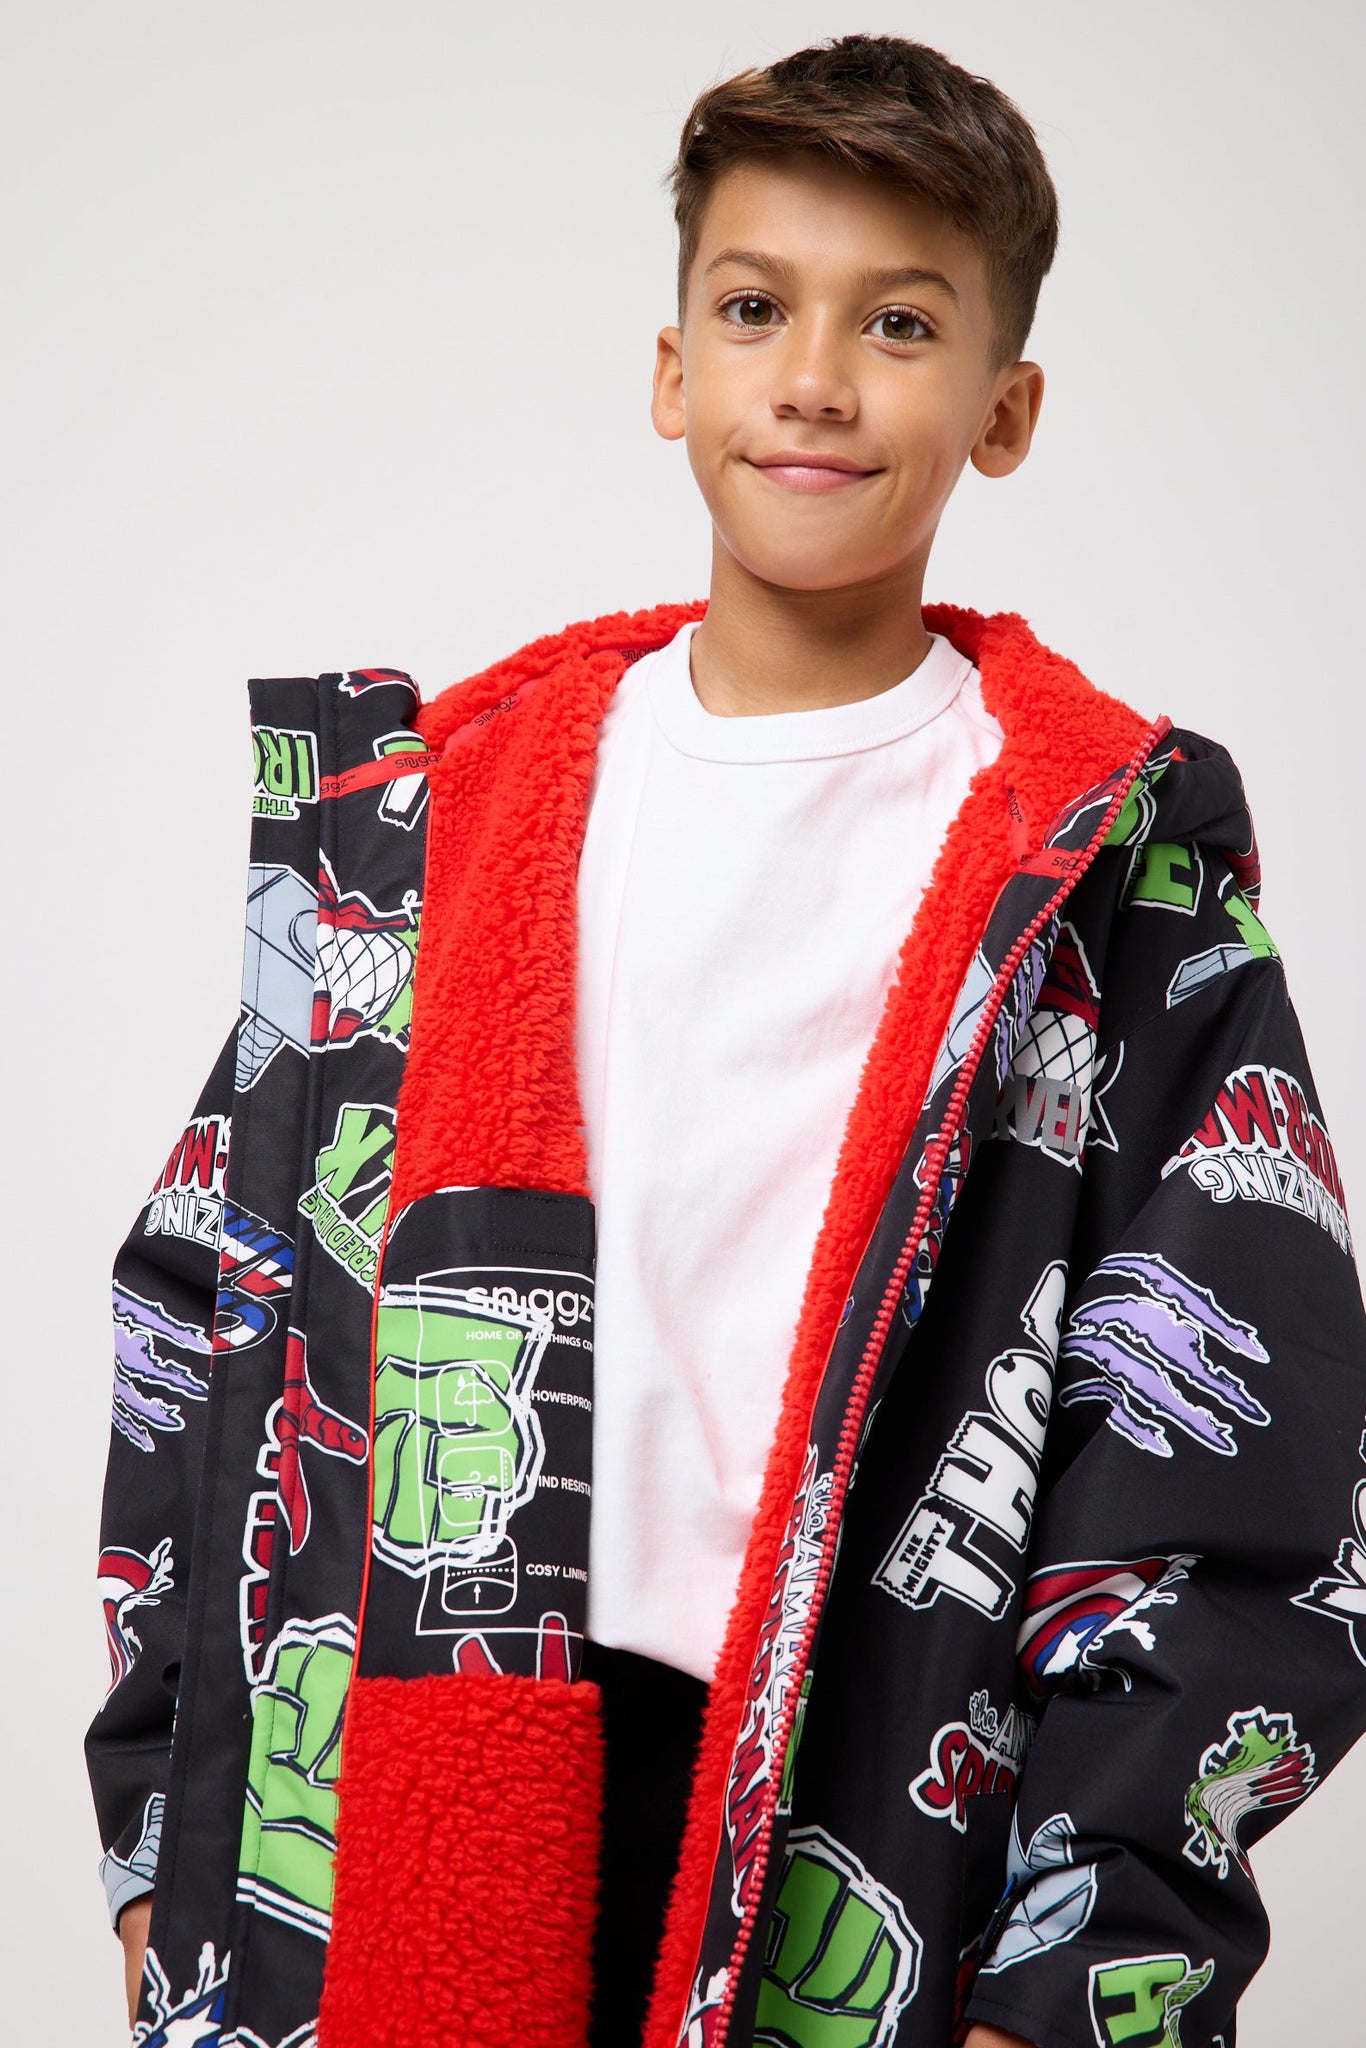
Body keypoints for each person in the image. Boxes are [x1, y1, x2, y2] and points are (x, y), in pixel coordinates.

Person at [87, 32, 1366, 2048]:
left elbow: (1232, 1447)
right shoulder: (436, 824)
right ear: (672, 368)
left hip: (854, 1810)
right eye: (757, 307)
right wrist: (170, 1829)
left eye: (900, 323)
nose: (816, 379)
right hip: (419, 1768)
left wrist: (1071, 1965)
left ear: (1004, 410)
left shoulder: (1105, 875)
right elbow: (208, 1293)